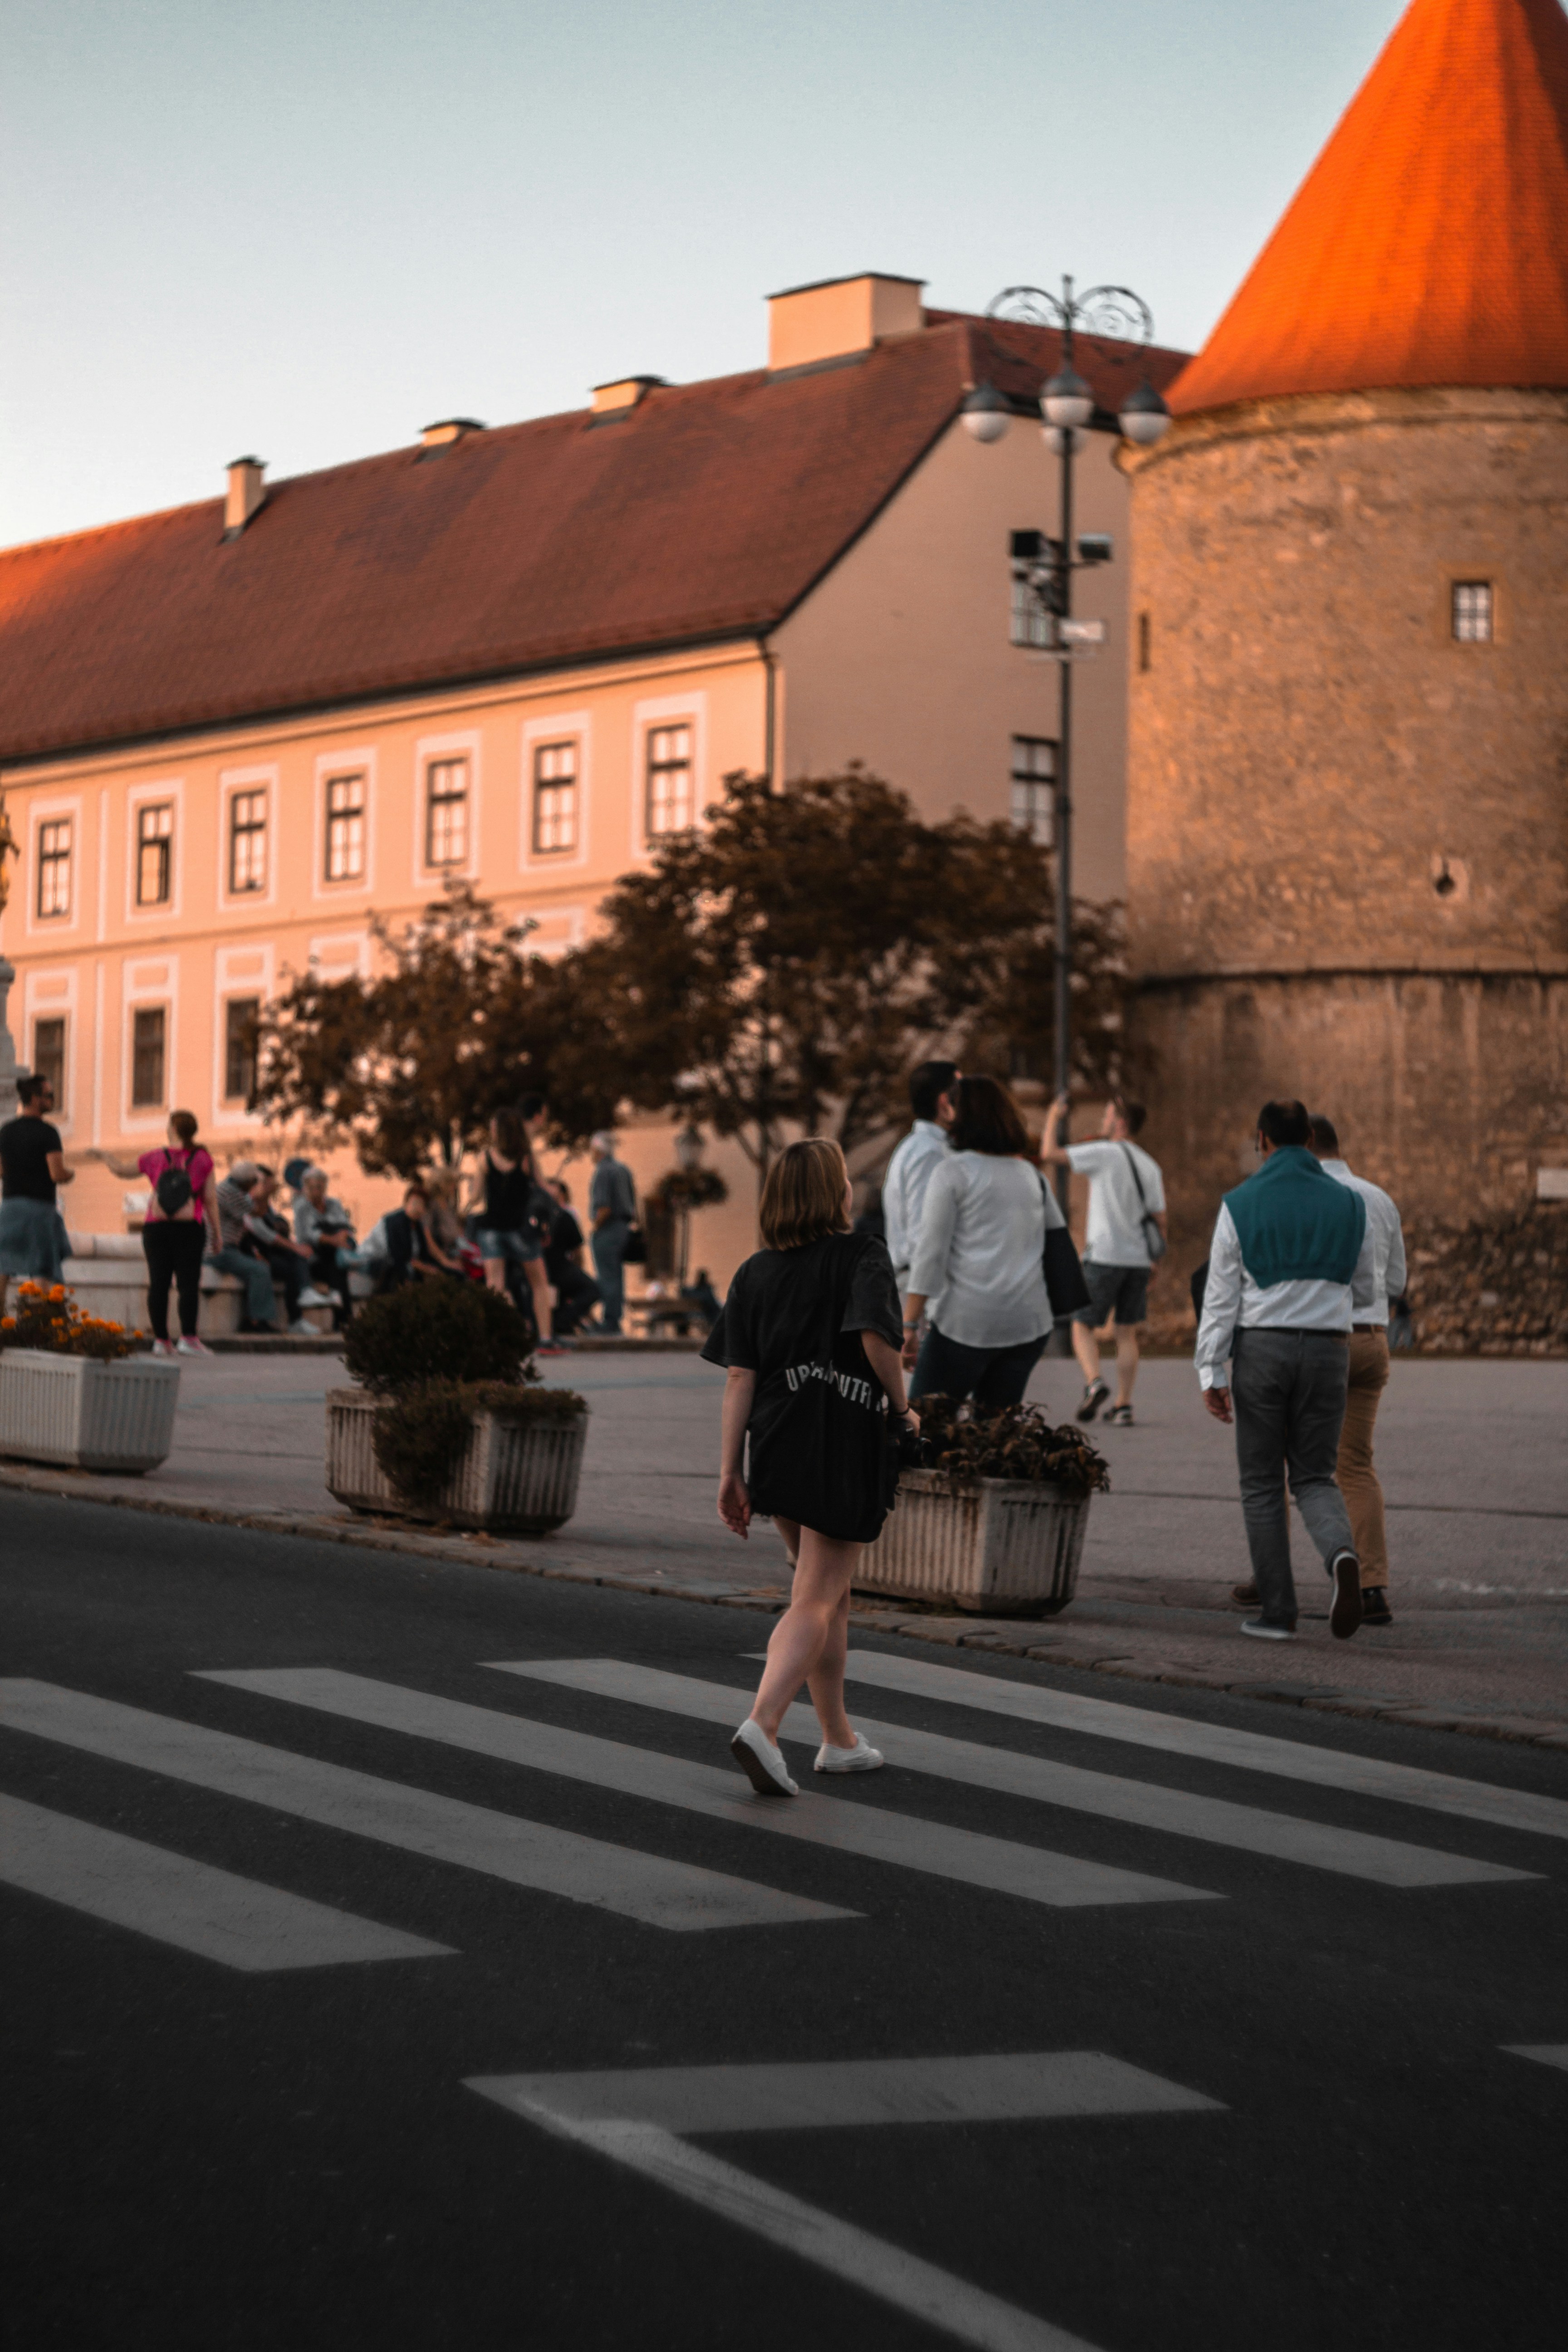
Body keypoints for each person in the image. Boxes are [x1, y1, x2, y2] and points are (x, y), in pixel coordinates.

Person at [702, 1136, 916, 1798]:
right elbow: (878, 1340)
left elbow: (740, 1376)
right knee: (818, 1597)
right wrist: (903, 1408)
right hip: (841, 1443)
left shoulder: (754, 1273)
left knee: (826, 1596)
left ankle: (838, 1740)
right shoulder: (862, 1255)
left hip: (775, 1445)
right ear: (836, 1192)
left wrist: (729, 1472)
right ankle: (763, 1724)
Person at [1195, 1098, 1372, 1644]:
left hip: (1263, 1352)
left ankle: (1278, 1612)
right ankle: (1341, 1555)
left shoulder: (1240, 1203)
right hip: (1329, 1352)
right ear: (1312, 1140)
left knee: (1263, 1484)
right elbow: (1365, 1288)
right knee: (1316, 1476)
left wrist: (1211, 1371)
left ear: (1262, 1140)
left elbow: (1220, 1298)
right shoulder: (1349, 1202)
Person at [902, 1075, 1065, 1408]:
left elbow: (931, 1255)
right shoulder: (1031, 1176)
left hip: (966, 1322)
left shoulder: (953, 1173)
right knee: (996, 1437)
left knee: (924, 1424)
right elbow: (1057, 1241)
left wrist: (909, 1324)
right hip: (1027, 1324)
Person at [1308, 1115, 1406, 1627]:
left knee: (1293, 1464)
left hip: (1323, 1341)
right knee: (1356, 1466)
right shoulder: (1379, 1197)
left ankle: (1271, 1576)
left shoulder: (1309, 1196)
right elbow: (1398, 1279)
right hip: (1372, 1340)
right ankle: (1372, 1587)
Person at [1041, 1093, 1166, 1427]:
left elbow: (1048, 1154)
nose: (1103, 1121)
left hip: (1105, 1256)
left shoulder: (1104, 1153)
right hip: (1139, 1259)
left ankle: (1094, 1382)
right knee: (1127, 1333)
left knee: (1082, 1325)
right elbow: (1160, 1219)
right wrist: (1156, 1260)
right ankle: (1124, 1405)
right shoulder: (1149, 1165)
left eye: (1108, 1115)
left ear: (1121, 1123)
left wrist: (1054, 1115)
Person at [99, 1111, 219, 1356]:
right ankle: (188, 1339)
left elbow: (122, 1170)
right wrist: (217, 1234)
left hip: (156, 1227)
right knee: (188, 1284)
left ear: (173, 1128)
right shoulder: (203, 1159)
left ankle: (161, 1341)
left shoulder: (155, 1157)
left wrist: (104, 1156)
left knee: (159, 1284)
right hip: (190, 1227)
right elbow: (210, 1199)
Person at [470, 1110, 554, 1342]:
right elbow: (543, 1187)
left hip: (491, 1229)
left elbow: (476, 1197)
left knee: (495, 1284)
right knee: (539, 1283)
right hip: (521, 1229)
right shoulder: (526, 1157)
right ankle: (546, 1337)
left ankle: (495, 1336)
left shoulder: (485, 1158)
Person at [882, 1059, 959, 1310]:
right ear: (944, 1101)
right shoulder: (930, 1153)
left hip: (918, 1286)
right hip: (926, 1293)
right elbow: (923, 1235)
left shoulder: (918, 1147)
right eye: (962, 1091)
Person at [0, 1071, 73, 1312]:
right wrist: (70, 1173)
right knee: (41, 1270)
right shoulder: (48, 1133)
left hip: (10, 1208)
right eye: (48, 1095)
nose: (52, 1100)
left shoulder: (6, 1131)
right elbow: (57, 1174)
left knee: (2, 1270)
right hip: (39, 1209)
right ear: (34, 1098)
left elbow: (0, 1170)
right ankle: (35, 1327)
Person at [244, 1166, 325, 1331]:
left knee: (297, 1261)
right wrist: (296, 1248)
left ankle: (300, 1309)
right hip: (255, 1255)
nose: (272, 1186)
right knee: (295, 1261)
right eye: (268, 1183)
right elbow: (264, 1235)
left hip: (271, 1254)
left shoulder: (267, 1207)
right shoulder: (247, 1204)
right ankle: (295, 1316)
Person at [209, 1160, 283, 1332]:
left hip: (225, 1249)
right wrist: (264, 1193)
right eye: (254, 1183)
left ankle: (256, 1318)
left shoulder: (226, 1188)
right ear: (247, 1182)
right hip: (221, 1251)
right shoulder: (231, 1193)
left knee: (258, 1267)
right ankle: (256, 1322)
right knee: (260, 1270)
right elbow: (258, 1213)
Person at [588, 1130, 638, 1337]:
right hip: (624, 1228)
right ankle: (615, 1317)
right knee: (617, 1275)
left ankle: (610, 1321)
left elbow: (604, 1208)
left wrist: (596, 1228)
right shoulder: (623, 1170)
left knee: (607, 1275)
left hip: (609, 1229)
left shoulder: (603, 1171)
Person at [292, 1166, 357, 1327]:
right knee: (336, 1269)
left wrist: (340, 1237)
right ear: (306, 1188)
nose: (316, 1191)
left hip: (334, 1254)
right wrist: (334, 1239)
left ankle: (343, 1321)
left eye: (319, 1187)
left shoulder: (334, 1204)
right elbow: (310, 1235)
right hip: (314, 1257)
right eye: (312, 1187)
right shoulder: (302, 1208)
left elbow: (345, 1226)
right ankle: (344, 1319)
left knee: (337, 1268)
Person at [367, 1182, 465, 1288]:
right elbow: (399, 1257)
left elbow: (424, 1253)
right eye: (415, 1203)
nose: (417, 1208)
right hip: (384, 1266)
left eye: (421, 1204)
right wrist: (426, 1269)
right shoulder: (396, 1222)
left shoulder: (417, 1225)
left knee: (455, 1275)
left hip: (412, 1266)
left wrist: (438, 1267)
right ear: (406, 1203)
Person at [543, 1179, 602, 1335]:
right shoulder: (564, 1216)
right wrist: (578, 1267)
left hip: (542, 1267)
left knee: (563, 1292)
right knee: (592, 1289)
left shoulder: (537, 1215)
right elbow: (577, 1250)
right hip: (560, 1266)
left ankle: (560, 1321)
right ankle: (562, 1320)